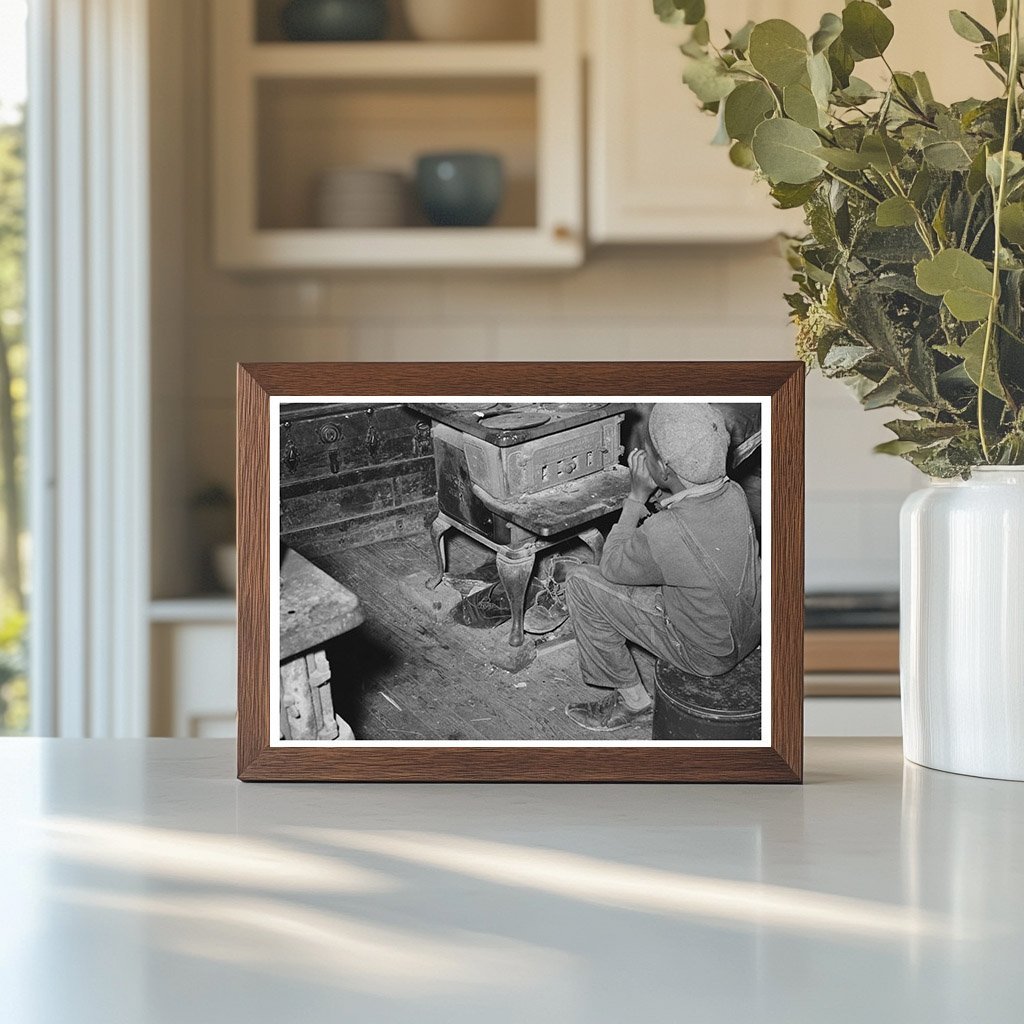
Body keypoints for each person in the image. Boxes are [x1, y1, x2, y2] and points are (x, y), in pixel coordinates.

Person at [563, 403, 761, 732]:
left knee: (581, 582)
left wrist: (636, 499)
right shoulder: (735, 494)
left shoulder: (664, 532)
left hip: (704, 656)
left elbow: (611, 566)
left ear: (665, 471)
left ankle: (634, 703)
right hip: (746, 631)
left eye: (649, 453)